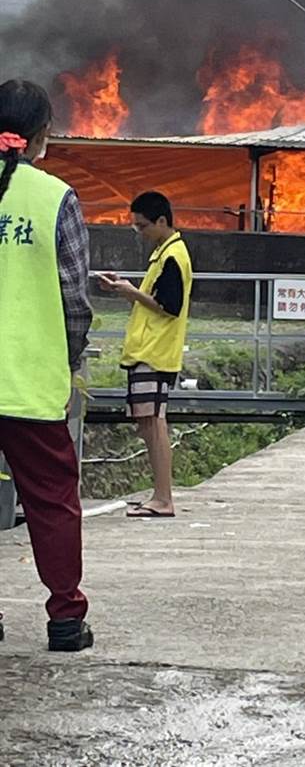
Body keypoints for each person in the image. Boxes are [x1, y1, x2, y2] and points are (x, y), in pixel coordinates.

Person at [0, 79, 93, 651]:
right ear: (40, 136)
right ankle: (64, 620)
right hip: (30, 385)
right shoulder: (55, 197)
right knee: (52, 504)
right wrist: (71, 361)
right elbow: (74, 299)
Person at [100, 192, 192, 518]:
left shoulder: (172, 257)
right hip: (148, 349)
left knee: (154, 424)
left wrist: (130, 291)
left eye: (142, 226)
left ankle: (163, 498)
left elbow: (168, 306)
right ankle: (160, 496)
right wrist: (128, 290)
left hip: (154, 352)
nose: (139, 232)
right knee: (150, 423)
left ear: (162, 221)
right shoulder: (164, 254)